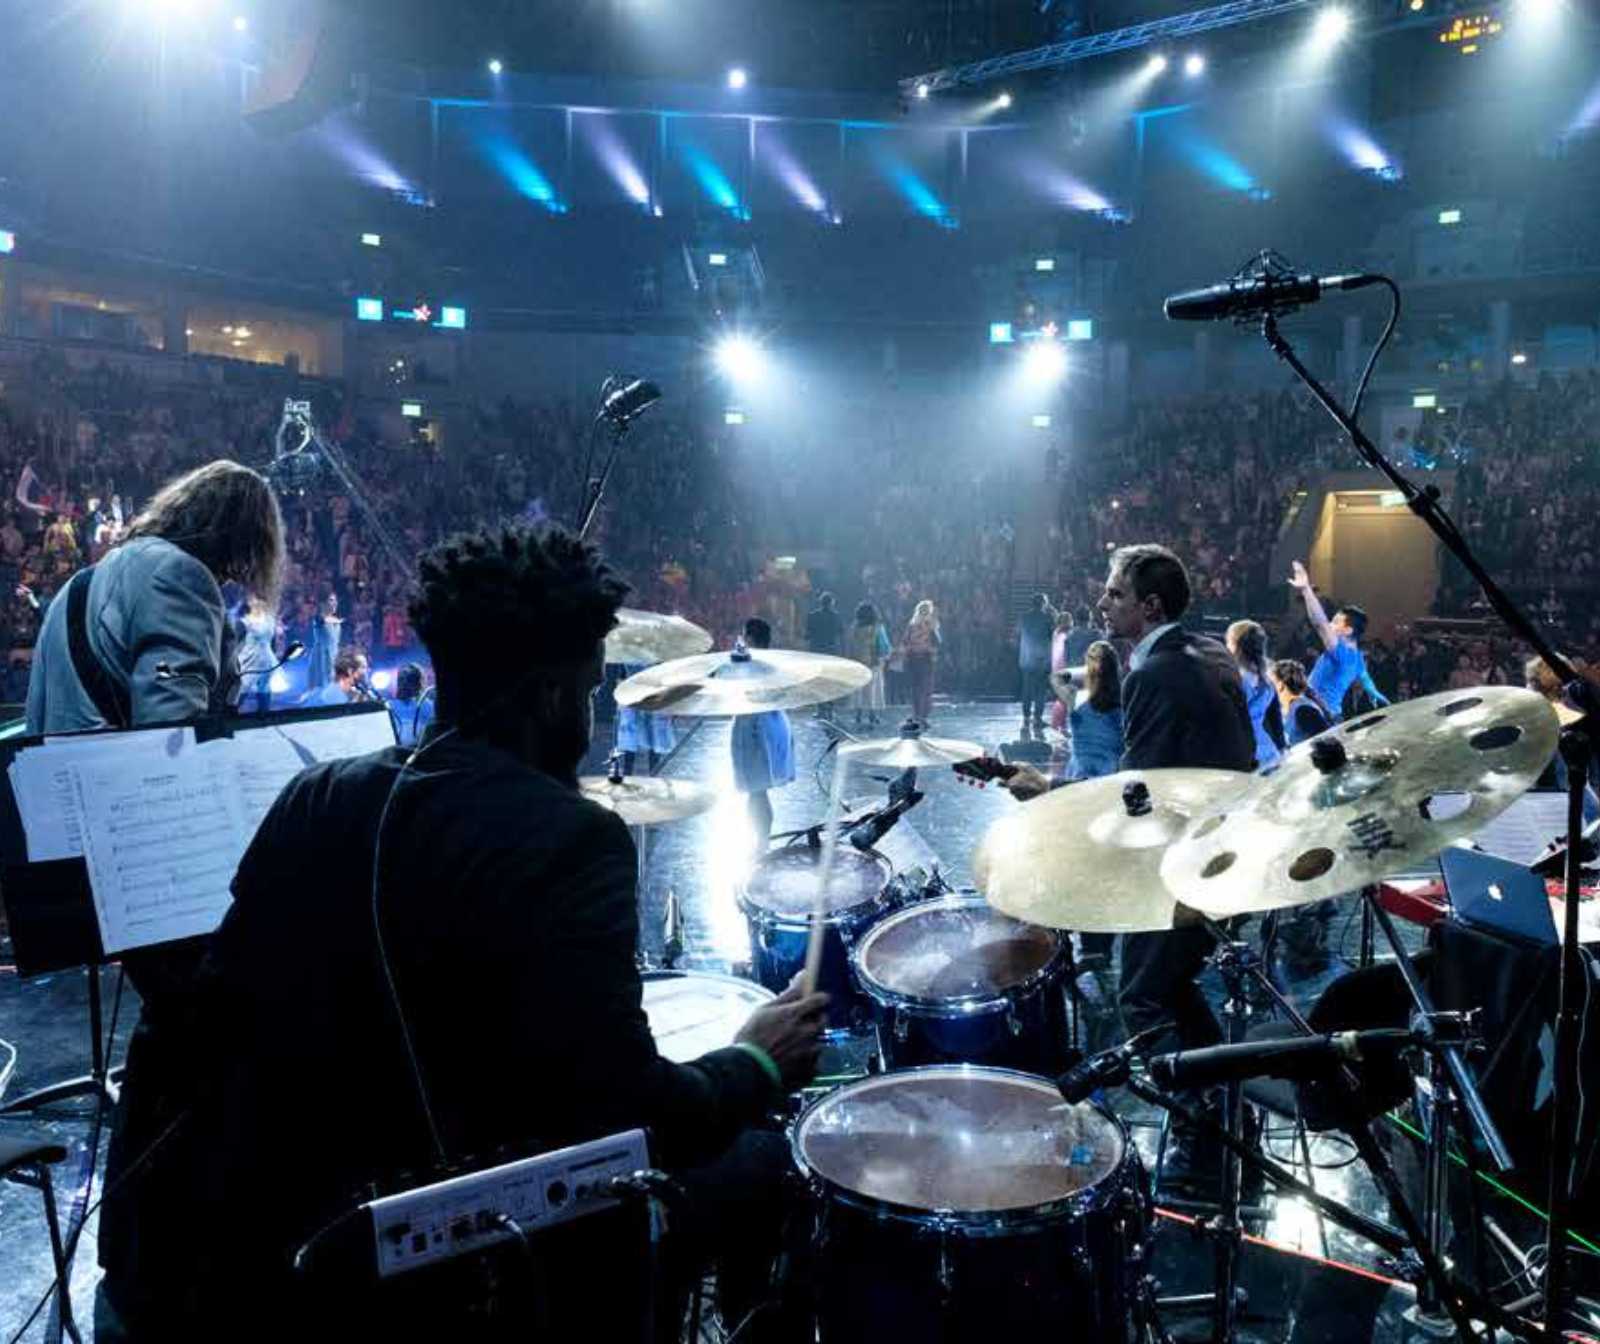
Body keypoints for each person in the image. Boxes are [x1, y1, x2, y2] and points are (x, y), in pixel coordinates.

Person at [97, 524, 829, 1339]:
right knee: (764, 1164)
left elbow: (223, 1015)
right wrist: (757, 1058)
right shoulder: (567, 839)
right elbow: (633, 1115)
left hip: (289, 1248)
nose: (587, 717)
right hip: (467, 1268)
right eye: (588, 692)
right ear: (553, 697)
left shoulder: (315, 797)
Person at [1008, 545, 1253, 1118]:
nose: (1102, 601)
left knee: (1142, 996)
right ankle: (1220, 1095)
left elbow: (1137, 793)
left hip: (1181, 863)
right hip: (1224, 849)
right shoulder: (1210, 651)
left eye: (1115, 593)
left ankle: (1206, 1117)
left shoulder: (1152, 672)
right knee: (1173, 985)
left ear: (1149, 604)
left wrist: (1047, 790)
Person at [26, 459, 284, 732]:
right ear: (237, 540)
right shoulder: (182, 577)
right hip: (119, 772)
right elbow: (172, 736)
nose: (236, 575)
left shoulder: (82, 581)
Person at [1288, 560, 1388, 720]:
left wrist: (1306, 589)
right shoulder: (1358, 658)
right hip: (1331, 716)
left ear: (1348, 630)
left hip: (1317, 717)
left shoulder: (1342, 653)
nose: (1330, 625)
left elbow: (1319, 623)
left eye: (1335, 622)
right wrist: (1381, 700)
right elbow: (1368, 683)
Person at [732, 617, 796, 844]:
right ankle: (760, 839)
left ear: (749, 637)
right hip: (771, 725)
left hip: (756, 731)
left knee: (756, 791)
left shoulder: (749, 664)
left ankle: (760, 841)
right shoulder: (772, 664)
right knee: (757, 792)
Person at [1226, 619, 1284, 771]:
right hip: (1269, 753)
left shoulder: (1233, 678)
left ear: (1234, 644)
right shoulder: (1268, 675)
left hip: (1245, 756)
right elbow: (1275, 718)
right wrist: (1282, 747)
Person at [615, 661, 675, 774]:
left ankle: (653, 772)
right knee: (632, 736)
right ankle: (629, 773)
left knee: (653, 735)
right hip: (633, 694)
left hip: (653, 694)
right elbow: (622, 676)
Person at [847, 601, 890, 729]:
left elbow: (849, 643)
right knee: (872, 689)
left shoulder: (854, 627)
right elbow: (884, 646)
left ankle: (858, 713)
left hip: (857, 661)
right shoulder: (877, 628)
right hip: (873, 661)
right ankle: (872, 713)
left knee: (858, 689)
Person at [1269, 658, 1332, 746]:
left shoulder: (1303, 710)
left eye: (1270, 683)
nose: (1267, 688)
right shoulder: (1292, 709)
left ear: (1280, 685)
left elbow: (1326, 744)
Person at [1017, 593, 1055, 736]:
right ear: (1043, 604)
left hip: (1027, 658)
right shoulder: (1048, 618)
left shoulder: (1024, 618)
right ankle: (1037, 717)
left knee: (1027, 688)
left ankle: (1026, 716)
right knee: (1040, 690)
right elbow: (1054, 634)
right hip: (1042, 659)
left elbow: (1018, 634)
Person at [237, 593, 280, 715]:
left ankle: (263, 717)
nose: (258, 603)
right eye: (255, 600)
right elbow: (234, 643)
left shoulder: (270, 620)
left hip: (267, 660)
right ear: (249, 602)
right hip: (249, 660)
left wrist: (275, 655)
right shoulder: (244, 622)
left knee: (264, 688)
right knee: (243, 688)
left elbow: (272, 641)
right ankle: (229, 718)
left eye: (261, 600)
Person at [805, 591, 844, 719]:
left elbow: (807, 635)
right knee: (831, 681)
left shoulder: (812, 616)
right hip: (832, 652)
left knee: (818, 681)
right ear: (832, 603)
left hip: (817, 652)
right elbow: (841, 633)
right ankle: (830, 709)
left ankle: (821, 709)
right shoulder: (836, 616)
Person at [902, 599, 940, 724]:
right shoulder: (931, 624)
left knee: (916, 688)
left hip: (913, 658)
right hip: (925, 658)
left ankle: (917, 714)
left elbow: (905, 642)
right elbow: (938, 642)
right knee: (925, 688)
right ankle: (922, 716)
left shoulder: (911, 625)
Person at [387, 661, 435, 748]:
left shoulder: (427, 706)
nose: (404, 684)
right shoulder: (388, 706)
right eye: (402, 680)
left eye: (408, 680)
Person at [302, 646, 368, 706]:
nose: (368, 670)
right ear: (350, 671)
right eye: (363, 667)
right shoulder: (320, 700)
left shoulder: (359, 695)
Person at [305, 590, 343, 692]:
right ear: (323, 603)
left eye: (335, 600)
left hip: (334, 655)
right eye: (331, 600)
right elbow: (320, 619)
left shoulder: (335, 620)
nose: (335, 603)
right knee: (321, 686)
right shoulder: (319, 618)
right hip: (321, 656)